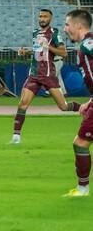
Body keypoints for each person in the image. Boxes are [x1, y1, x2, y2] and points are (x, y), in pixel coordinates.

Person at [12, 8, 80, 144]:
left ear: (50, 19)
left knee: (64, 107)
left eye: (45, 17)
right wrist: (27, 53)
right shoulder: (35, 33)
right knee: (22, 104)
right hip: (34, 74)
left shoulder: (55, 34)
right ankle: (16, 137)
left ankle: (86, 109)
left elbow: (63, 53)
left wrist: (48, 47)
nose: (42, 19)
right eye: (40, 16)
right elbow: (39, 52)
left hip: (48, 75)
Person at [60, 9, 93, 197]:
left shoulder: (88, 43)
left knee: (80, 143)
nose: (65, 29)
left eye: (67, 24)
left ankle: (82, 189)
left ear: (78, 25)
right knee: (80, 143)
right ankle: (82, 188)